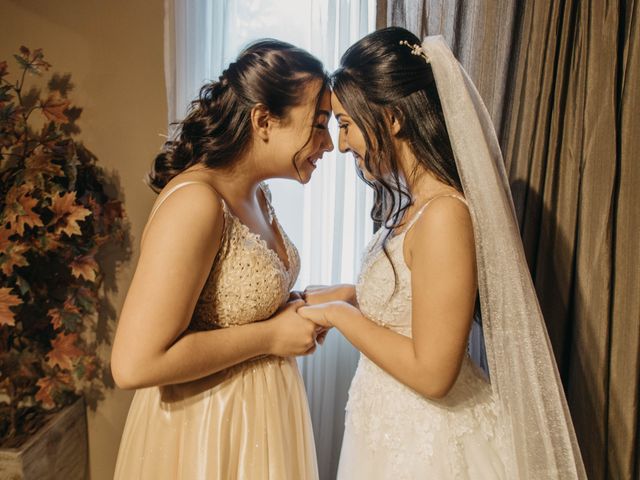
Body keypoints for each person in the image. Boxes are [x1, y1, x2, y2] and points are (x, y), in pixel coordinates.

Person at [299, 27, 586, 479]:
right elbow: (415, 304)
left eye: (346, 125)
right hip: (388, 433)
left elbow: (434, 374)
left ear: (392, 118)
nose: (340, 144)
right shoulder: (415, 208)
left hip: (431, 446)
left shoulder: (445, 216)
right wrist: (352, 294)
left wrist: (339, 315)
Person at [111, 39, 333, 479]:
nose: (329, 144)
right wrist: (270, 337)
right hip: (206, 434)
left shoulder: (258, 192)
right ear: (264, 120)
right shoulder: (197, 203)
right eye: (320, 124)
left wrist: (302, 305)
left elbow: (225, 308)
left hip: (261, 420)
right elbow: (134, 363)